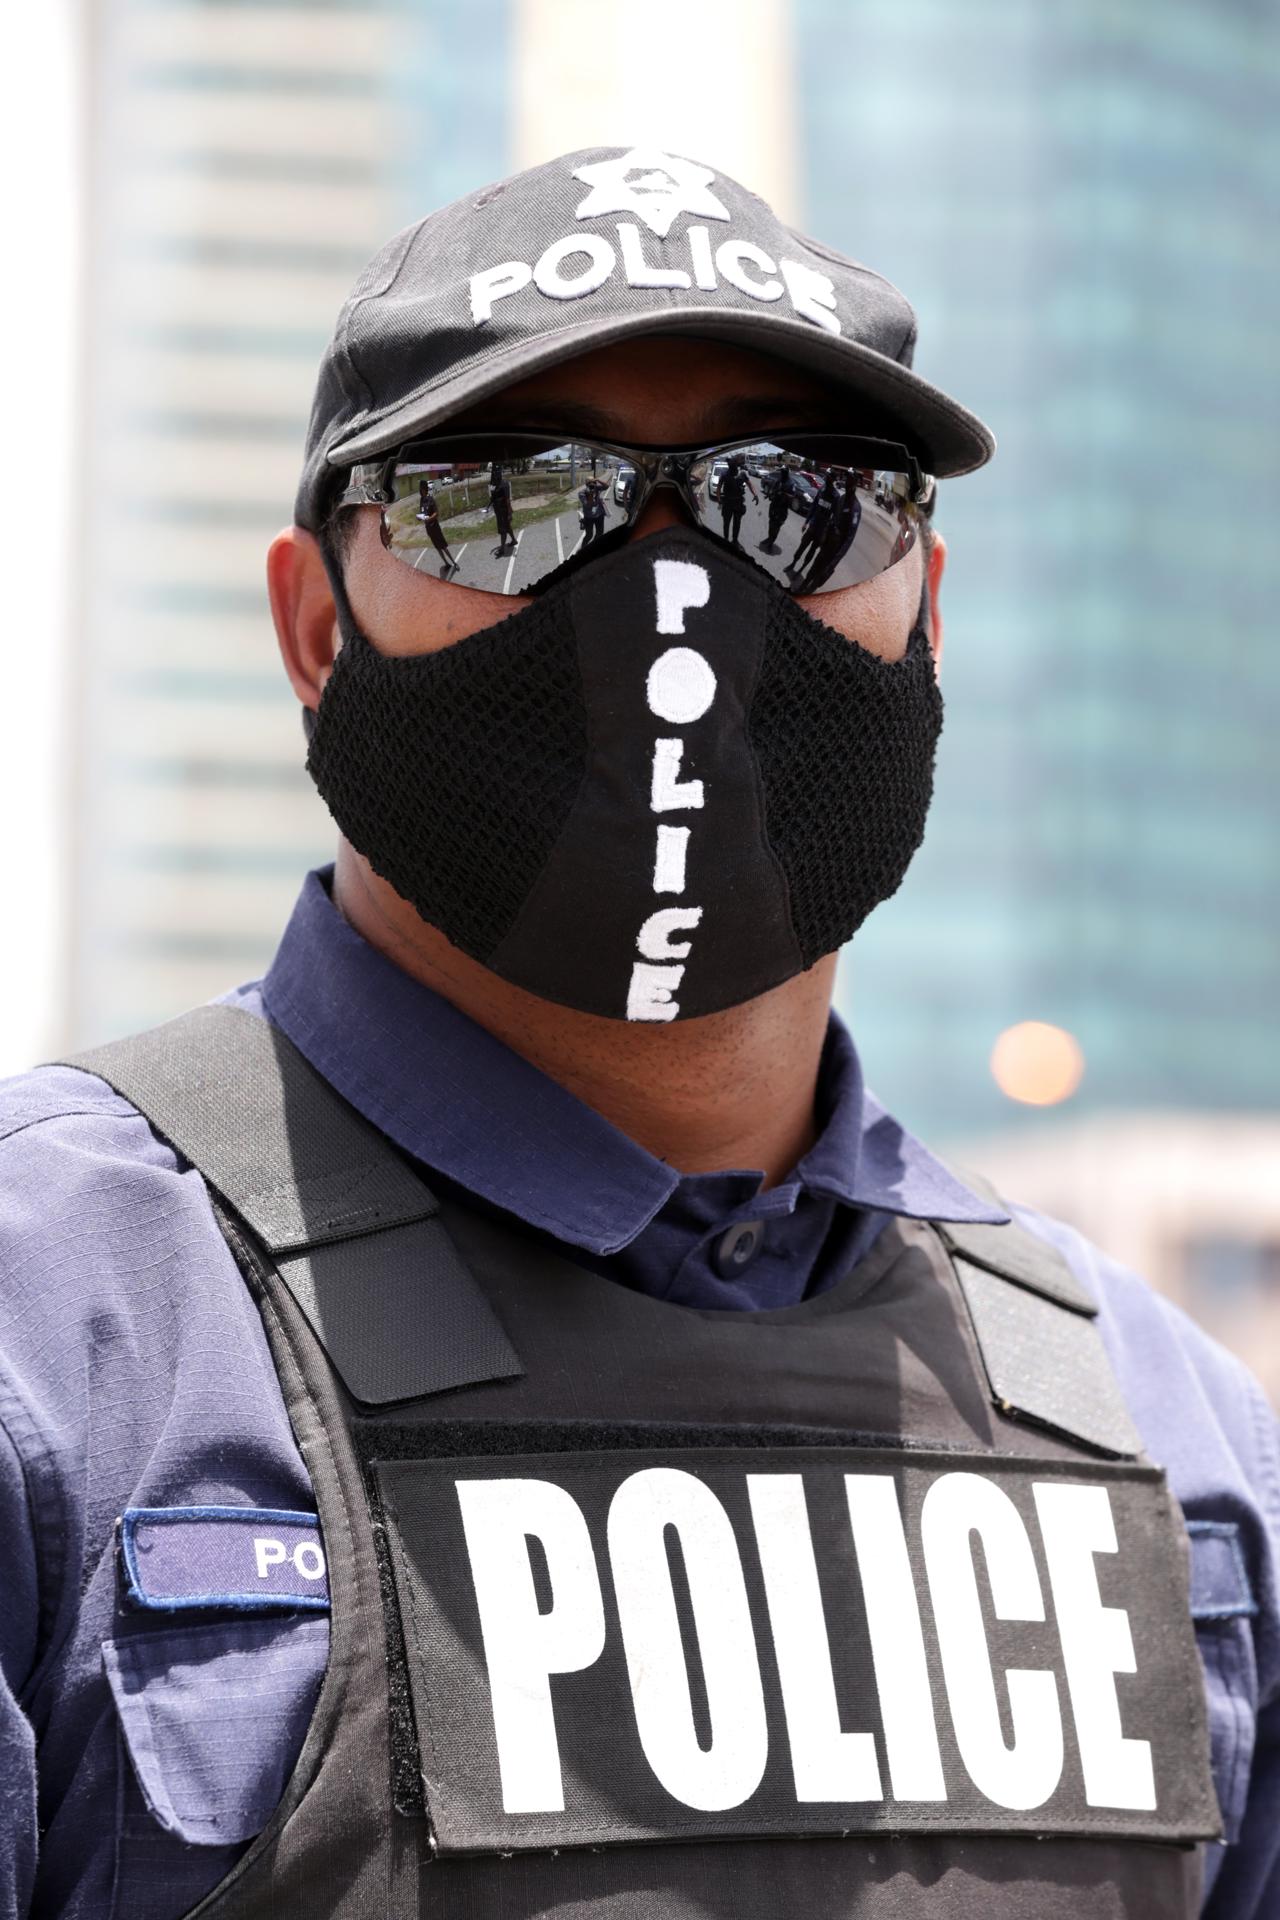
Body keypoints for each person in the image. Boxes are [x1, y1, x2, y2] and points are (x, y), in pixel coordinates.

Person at [1, 144, 1276, 1920]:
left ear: (929, 609)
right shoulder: (54, 1349)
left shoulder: (1179, 1455)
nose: (676, 600)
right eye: (517, 503)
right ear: (313, 626)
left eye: (800, 505)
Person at [416, 478, 459, 572]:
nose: (420, 490)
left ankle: (454, 562)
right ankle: (446, 563)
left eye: (420, 488)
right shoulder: (422, 500)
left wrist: (429, 518)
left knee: (443, 546)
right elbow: (422, 512)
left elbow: (436, 513)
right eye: (419, 488)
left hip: (435, 527)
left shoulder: (430, 499)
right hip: (429, 528)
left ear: (424, 488)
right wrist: (420, 517)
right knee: (437, 547)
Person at [719, 448, 759, 544]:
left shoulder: (742, 474)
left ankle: (735, 540)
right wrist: (719, 499)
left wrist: (755, 494)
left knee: (737, 524)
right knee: (726, 523)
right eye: (730, 463)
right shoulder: (724, 474)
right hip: (727, 503)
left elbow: (750, 484)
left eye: (733, 462)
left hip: (738, 503)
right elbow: (718, 488)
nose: (731, 464)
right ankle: (726, 539)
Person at [760, 458, 796, 551]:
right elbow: (774, 489)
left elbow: (792, 497)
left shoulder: (791, 483)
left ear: (787, 472)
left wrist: (784, 493)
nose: (782, 473)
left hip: (782, 509)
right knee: (771, 523)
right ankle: (769, 538)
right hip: (774, 506)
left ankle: (771, 543)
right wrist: (768, 495)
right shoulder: (779, 480)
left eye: (784, 471)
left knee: (776, 527)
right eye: (781, 471)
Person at [489, 459, 515, 550]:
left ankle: (502, 548)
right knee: (507, 527)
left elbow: (507, 500)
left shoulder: (504, 484)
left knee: (503, 529)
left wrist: (509, 513)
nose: (493, 476)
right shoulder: (496, 485)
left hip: (504, 511)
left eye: (495, 474)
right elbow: (494, 496)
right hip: (499, 511)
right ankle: (514, 540)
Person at [578, 472, 608, 545]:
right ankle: (583, 548)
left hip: (599, 515)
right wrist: (590, 494)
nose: (592, 484)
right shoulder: (582, 493)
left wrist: (598, 480)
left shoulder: (597, 488)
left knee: (600, 533)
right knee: (589, 535)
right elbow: (588, 505)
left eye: (593, 482)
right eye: (590, 483)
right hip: (589, 517)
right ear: (586, 484)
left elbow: (606, 486)